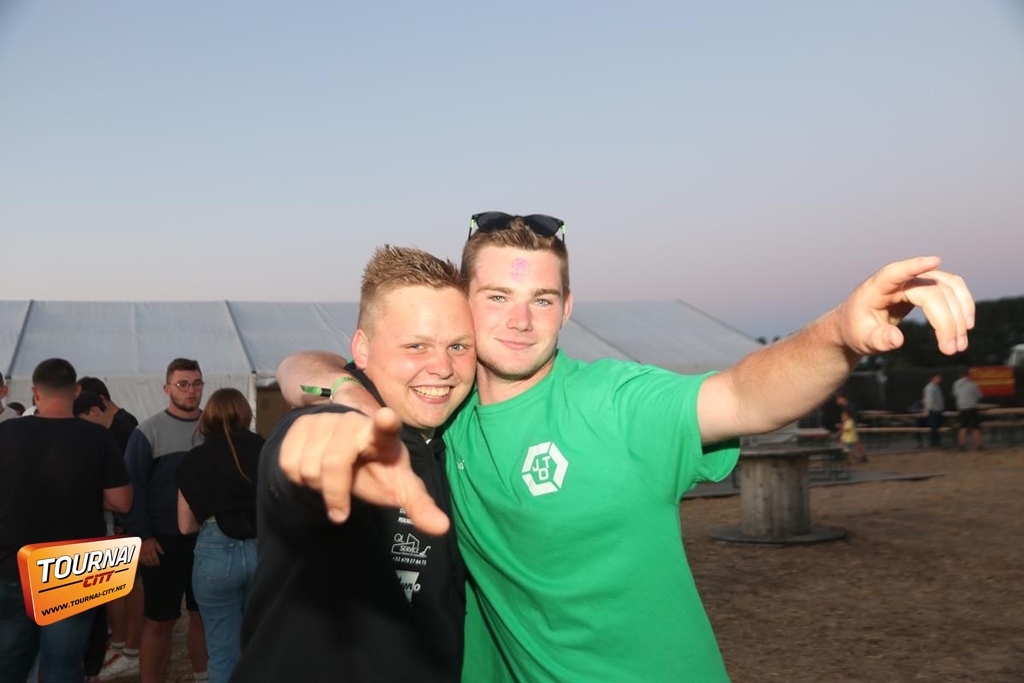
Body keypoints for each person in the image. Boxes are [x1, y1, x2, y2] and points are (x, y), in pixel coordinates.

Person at [277, 214, 974, 682]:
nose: (520, 320)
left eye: (542, 299)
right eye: (496, 296)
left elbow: (743, 395)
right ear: (466, 300)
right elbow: (303, 364)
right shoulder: (443, 412)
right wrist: (348, 397)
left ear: (568, 306)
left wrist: (839, 333)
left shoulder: (616, 401)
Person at [231, 246, 473, 683]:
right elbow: (304, 458)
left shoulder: (454, 433)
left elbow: (300, 365)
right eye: (416, 345)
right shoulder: (344, 424)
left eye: (458, 345)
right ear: (362, 348)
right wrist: (322, 448)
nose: (442, 367)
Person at [0, 359, 132, 683]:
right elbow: (122, 501)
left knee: (9, 665)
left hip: (11, 563)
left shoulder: (5, 433)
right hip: (72, 567)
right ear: (76, 392)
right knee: (62, 666)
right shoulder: (98, 437)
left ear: (35, 393)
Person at [125, 358, 208, 683]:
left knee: (203, 616)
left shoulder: (215, 428)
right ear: (167, 388)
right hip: (162, 542)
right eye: (182, 384)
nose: (191, 390)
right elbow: (133, 489)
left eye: (196, 383)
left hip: (207, 540)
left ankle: (203, 677)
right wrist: (142, 537)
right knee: (160, 621)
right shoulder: (148, 431)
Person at [176, 388, 264, 683]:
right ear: (246, 413)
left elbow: (185, 526)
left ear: (209, 417)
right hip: (262, 549)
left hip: (215, 551)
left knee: (223, 651)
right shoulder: (267, 449)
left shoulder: (194, 460)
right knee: (259, 647)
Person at [75, 378, 144, 681]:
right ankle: (120, 645)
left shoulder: (124, 430)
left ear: (96, 406)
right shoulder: (117, 428)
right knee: (114, 584)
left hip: (126, 521)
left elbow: (128, 485)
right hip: (119, 521)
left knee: (126, 584)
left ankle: (128, 649)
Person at [951, 368, 983, 450]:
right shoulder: (973, 384)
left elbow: (955, 394)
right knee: (975, 428)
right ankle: (978, 445)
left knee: (962, 427)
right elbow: (979, 395)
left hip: (962, 408)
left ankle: (962, 445)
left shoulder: (956, 384)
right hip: (971, 408)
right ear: (968, 375)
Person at [835, 392, 867, 462]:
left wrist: (844, 426)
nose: (837, 400)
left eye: (839, 399)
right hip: (849, 427)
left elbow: (851, 419)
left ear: (843, 398)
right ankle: (860, 456)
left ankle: (855, 457)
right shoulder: (845, 407)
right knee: (854, 441)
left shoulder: (849, 407)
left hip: (850, 428)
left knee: (849, 443)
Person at [923, 373, 946, 448]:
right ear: (933, 378)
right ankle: (933, 444)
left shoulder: (937, 387)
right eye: (938, 377)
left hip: (938, 410)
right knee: (934, 428)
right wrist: (930, 409)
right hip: (933, 411)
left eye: (940, 378)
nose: (940, 379)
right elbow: (929, 400)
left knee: (937, 428)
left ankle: (937, 443)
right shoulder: (930, 388)